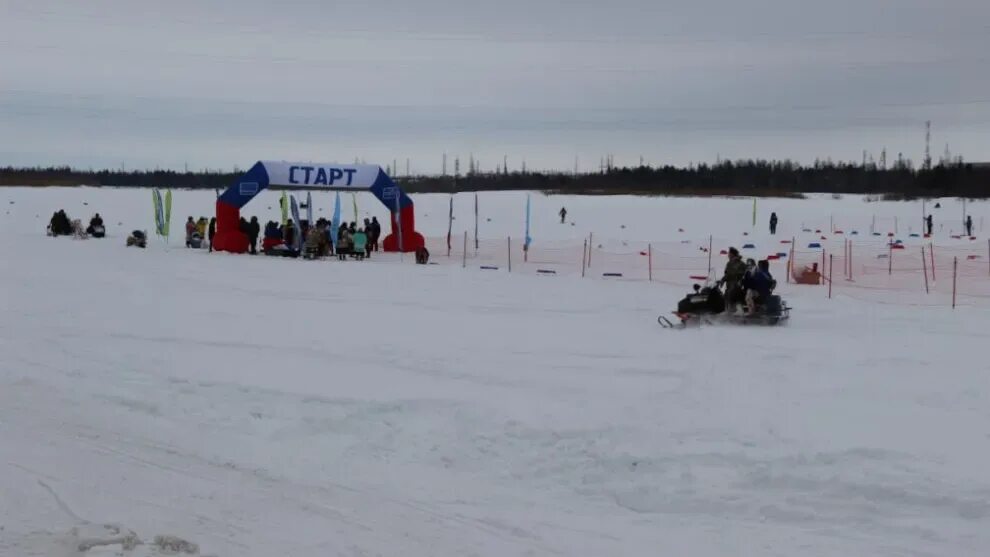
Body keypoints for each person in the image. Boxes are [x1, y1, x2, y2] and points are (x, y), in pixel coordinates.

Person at [720, 247, 748, 313]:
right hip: (729, 285)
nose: (728, 255)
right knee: (725, 296)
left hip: (737, 285)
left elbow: (743, 274)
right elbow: (727, 274)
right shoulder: (729, 263)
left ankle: (735, 311)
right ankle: (727, 311)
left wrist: (734, 276)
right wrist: (722, 280)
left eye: (729, 253)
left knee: (732, 296)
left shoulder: (741, 264)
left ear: (732, 254)